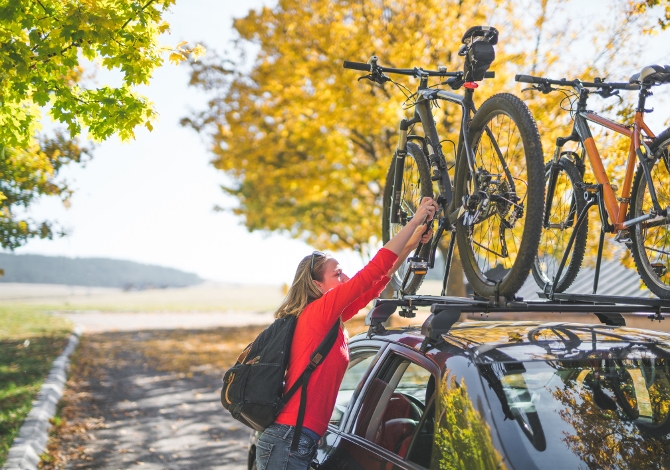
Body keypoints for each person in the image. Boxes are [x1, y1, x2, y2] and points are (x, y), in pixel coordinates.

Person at [255, 197, 438, 470]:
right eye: (337, 274)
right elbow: (373, 269)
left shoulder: (330, 319)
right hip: (288, 441)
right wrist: (414, 220)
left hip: (296, 441)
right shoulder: (319, 311)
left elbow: (374, 284)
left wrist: (411, 245)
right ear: (317, 285)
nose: (345, 277)